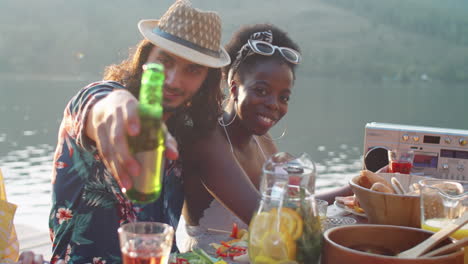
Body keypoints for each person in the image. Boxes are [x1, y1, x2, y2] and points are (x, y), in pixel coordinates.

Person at [48, 0, 230, 263]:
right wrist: (118, 107)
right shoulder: (101, 98)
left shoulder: (185, 132)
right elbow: (101, 106)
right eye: (165, 61)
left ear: (206, 80)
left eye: (193, 69)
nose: (173, 79)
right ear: (146, 59)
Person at [176, 23, 303, 253]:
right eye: (262, 91)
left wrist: (353, 188)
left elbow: (288, 208)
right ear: (234, 88)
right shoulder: (207, 141)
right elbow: (265, 219)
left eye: (283, 97)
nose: (274, 104)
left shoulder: (262, 141)